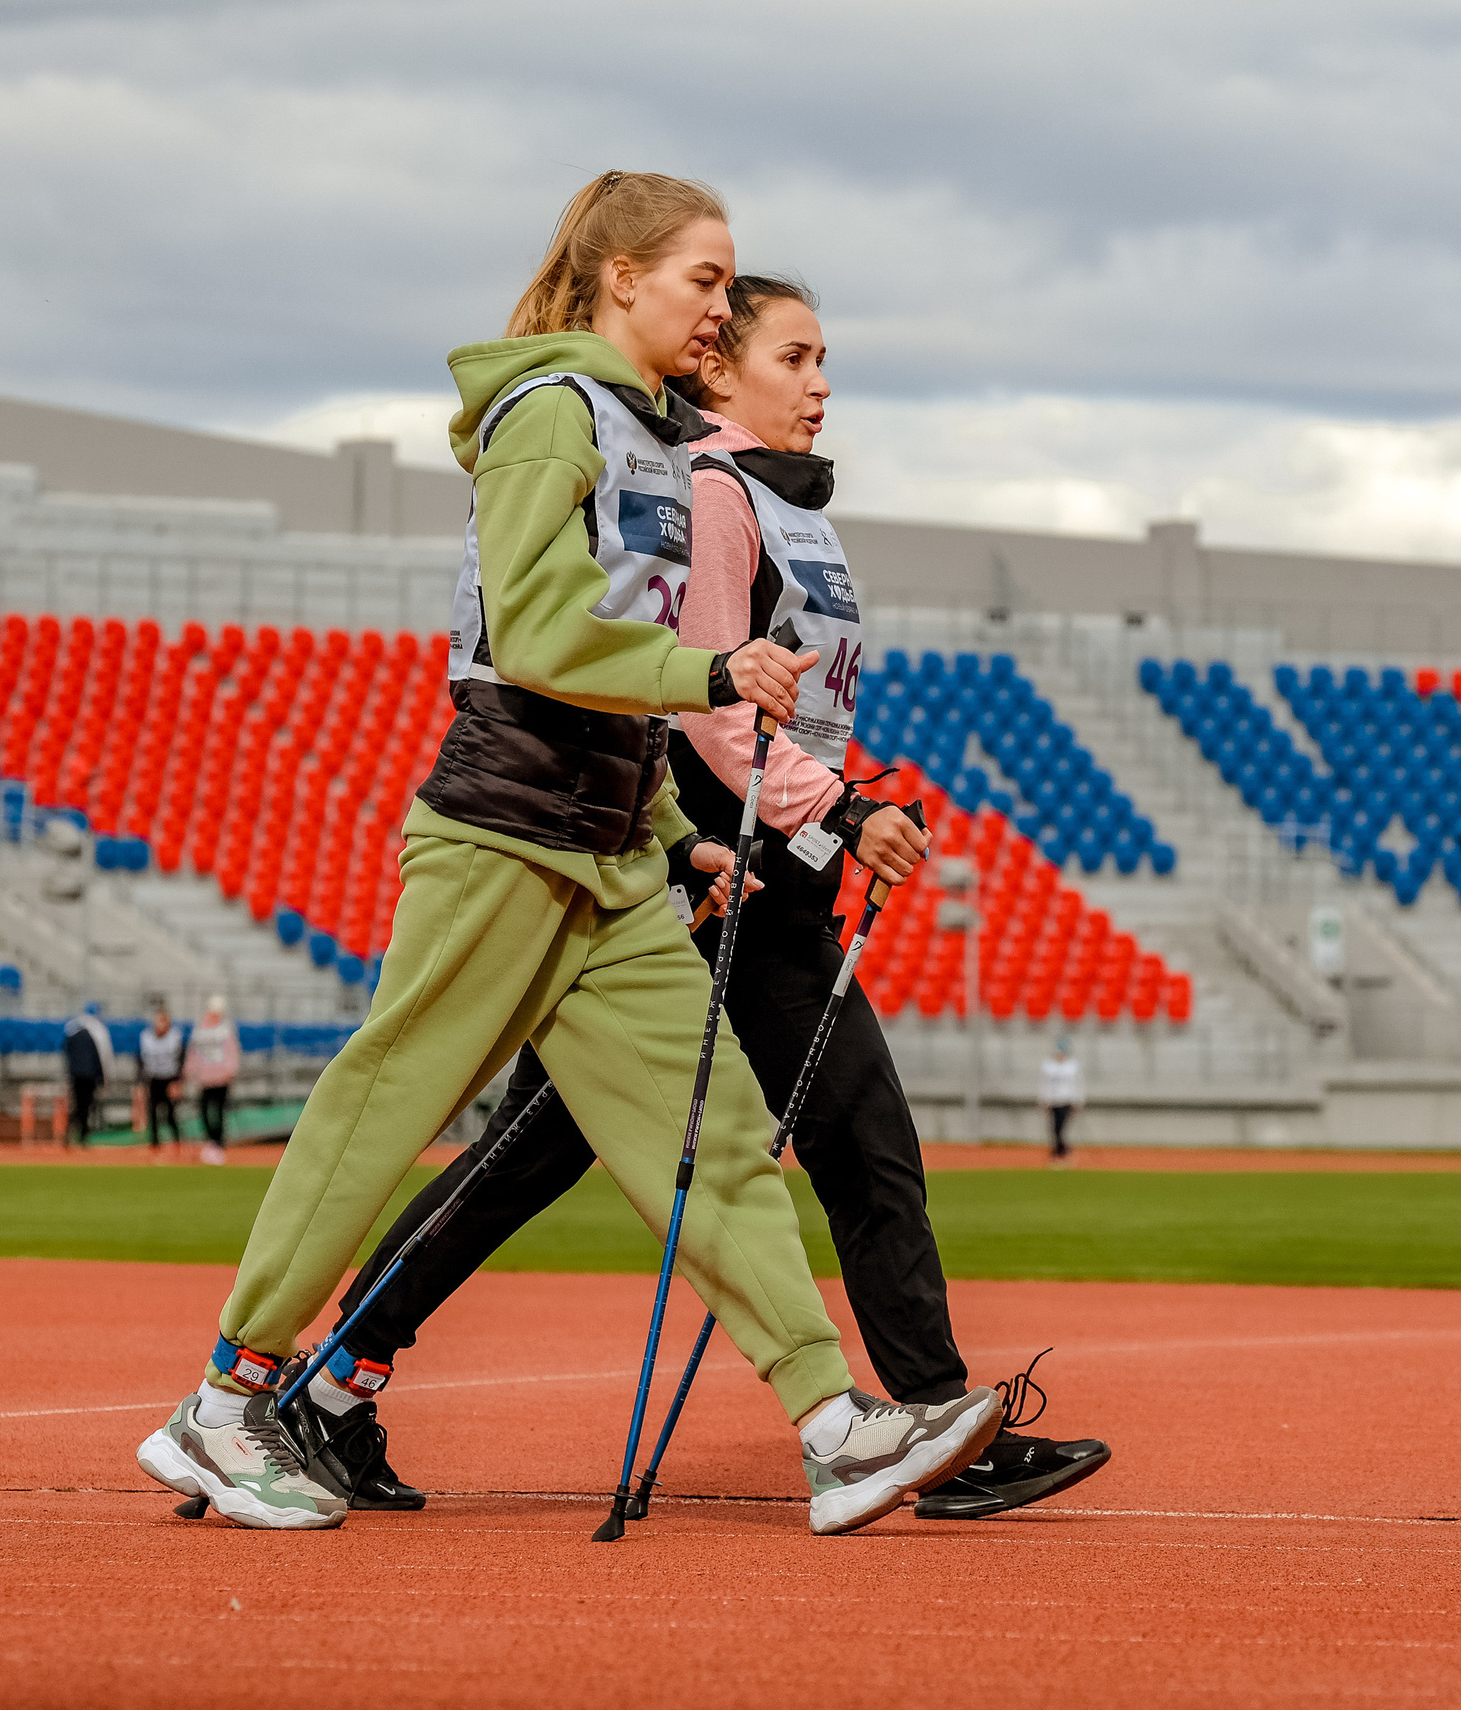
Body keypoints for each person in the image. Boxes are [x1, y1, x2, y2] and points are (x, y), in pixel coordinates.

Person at [135, 172, 1002, 1536]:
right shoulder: (552, 414)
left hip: (607, 854)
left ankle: (837, 1423)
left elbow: (610, 679)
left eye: (728, 285)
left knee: (715, 1140)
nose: (721, 302)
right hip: (501, 834)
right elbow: (538, 640)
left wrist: (670, 832)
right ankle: (229, 1401)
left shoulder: (650, 435)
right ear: (622, 280)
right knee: (383, 1110)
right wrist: (708, 665)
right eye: (706, 279)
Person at [329, 275, 1110, 1523]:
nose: (820, 381)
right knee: (657, 1147)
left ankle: (335, 1383)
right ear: (722, 371)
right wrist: (834, 812)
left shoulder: (788, 505)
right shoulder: (711, 489)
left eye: (822, 358)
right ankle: (326, 1381)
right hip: (706, 878)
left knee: (629, 1150)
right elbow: (698, 696)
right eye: (794, 356)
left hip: (765, 864)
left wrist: (835, 798)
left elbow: (774, 698)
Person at [186, 994, 239, 1165]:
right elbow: (194, 1052)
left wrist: (230, 1071)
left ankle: (218, 1143)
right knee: (204, 1111)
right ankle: (211, 1141)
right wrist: (189, 1071)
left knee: (219, 1112)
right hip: (205, 1078)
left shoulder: (225, 1029)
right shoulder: (200, 1029)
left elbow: (232, 1051)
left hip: (221, 1078)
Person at [138, 1001, 188, 1154]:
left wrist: (178, 1082)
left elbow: (182, 1060)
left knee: (170, 1113)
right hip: (153, 1078)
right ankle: (154, 1143)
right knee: (152, 1111)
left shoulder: (175, 1037)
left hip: (170, 1078)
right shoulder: (146, 1037)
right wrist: (140, 1082)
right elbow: (140, 1060)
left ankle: (177, 1142)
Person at [62, 1002, 113, 1147]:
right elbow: (98, 1059)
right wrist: (101, 1079)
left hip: (77, 1076)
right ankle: (82, 1133)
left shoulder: (72, 1037)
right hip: (89, 1077)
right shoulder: (92, 1038)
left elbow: (67, 1057)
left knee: (79, 1105)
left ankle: (75, 1129)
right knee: (85, 1105)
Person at [1039, 1037, 1083, 1166]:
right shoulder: (1048, 1066)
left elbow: (1078, 1084)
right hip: (1053, 1101)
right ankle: (1063, 1150)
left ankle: (1059, 1152)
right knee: (1054, 1128)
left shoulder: (1072, 1066)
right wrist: (1043, 1100)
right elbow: (1044, 1084)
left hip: (1066, 1101)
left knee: (1060, 1128)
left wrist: (1078, 1100)